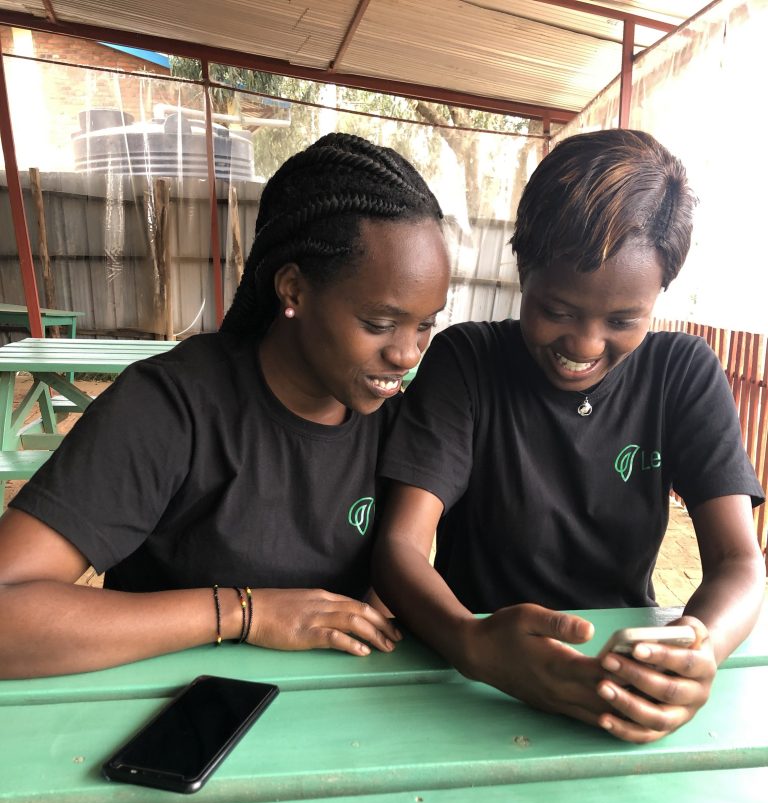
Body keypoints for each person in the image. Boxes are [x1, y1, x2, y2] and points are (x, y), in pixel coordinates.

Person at [0, 132, 450, 678]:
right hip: (171, 720)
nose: (406, 353)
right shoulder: (172, 408)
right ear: (294, 291)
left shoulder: (399, 419)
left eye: (425, 324)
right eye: (379, 323)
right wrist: (242, 612)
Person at [373, 128, 766, 744]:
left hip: (619, 681)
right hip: (471, 688)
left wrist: (700, 648)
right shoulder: (468, 364)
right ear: (523, 271)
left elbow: (740, 563)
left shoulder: (682, 374)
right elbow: (398, 546)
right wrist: (470, 642)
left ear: (660, 294)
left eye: (622, 320)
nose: (583, 345)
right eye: (557, 310)